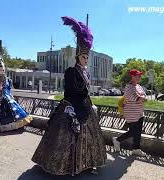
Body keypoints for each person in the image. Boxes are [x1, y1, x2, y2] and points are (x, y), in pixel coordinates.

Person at [32, 16, 107, 176]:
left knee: (90, 136)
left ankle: (89, 163)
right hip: (72, 105)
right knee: (65, 136)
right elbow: (72, 91)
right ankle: (63, 166)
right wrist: (78, 104)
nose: (85, 59)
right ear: (77, 56)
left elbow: (85, 90)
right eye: (83, 57)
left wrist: (89, 102)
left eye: (87, 57)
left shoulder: (86, 72)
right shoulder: (71, 72)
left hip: (85, 105)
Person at [0, 52, 32, 133]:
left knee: (11, 109)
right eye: (0, 68)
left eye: (3, 68)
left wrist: (10, 95)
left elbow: (8, 88)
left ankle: (10, 125)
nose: (2, 69)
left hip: (6, 96)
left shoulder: (7, 78)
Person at [113, 69, 147, 156]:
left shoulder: (139, 86)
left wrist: (142, 98)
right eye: (137, 75)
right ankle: (117, 140)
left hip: (139, 113)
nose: (139, 77)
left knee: (138, 132)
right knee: (133, 132)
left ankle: (136, 149)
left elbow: (144, 96)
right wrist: (142, 98)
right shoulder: (129, 87)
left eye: (140, 75)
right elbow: (139, 99)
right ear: (132, 76)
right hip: (131, 113)